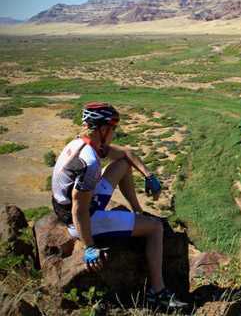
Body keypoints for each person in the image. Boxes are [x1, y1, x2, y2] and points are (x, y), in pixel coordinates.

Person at [50, 102, 187, 309]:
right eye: (113, 128)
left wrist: (149, 176)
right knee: (155, 228)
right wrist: (89, 246)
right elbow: (79, 208)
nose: (114, 133)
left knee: (123, 165)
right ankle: (157, 293)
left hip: (73, 206)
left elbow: (126, 154)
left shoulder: (82, 144)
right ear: (103, 129)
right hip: (82, 219)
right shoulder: (89, 162)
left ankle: (137, 212)